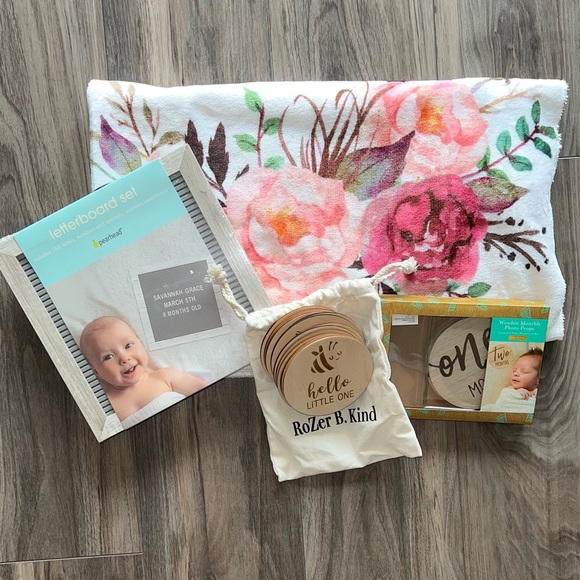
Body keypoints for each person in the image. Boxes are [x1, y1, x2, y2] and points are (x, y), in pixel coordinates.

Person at [80, 316, 210, 426]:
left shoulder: (164, 377)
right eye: (108, 357)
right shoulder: (104, 406)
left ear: (140, 342)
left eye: (128, 346)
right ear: (96, 372)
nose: (124, 358)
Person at [480, 347, 543, 413]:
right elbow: (505, 399)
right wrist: (517, 393)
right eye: (514, 370)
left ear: (539, 379)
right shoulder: (511, 389)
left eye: (524, 371)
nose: (516, 374)